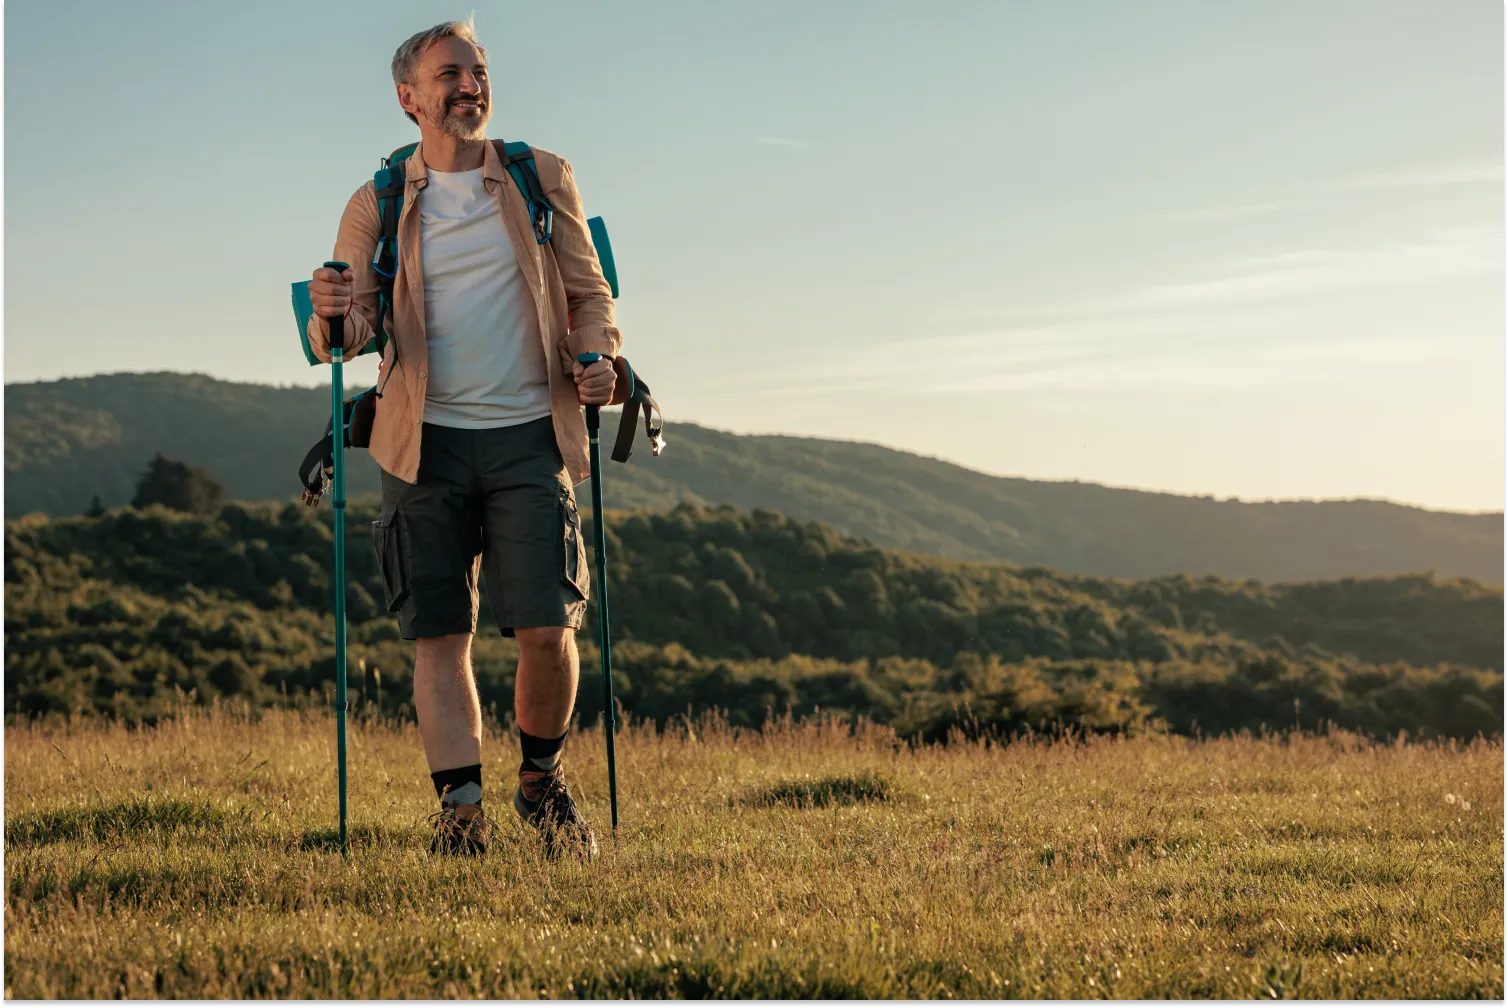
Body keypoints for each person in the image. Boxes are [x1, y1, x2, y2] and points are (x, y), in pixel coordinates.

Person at [305, 19, 619, 859]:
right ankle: (462, 816)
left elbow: (589, 294)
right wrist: (329, 316)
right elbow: (350, 327)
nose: (470, 85)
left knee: (549, 628)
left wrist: (596, 359)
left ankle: (541, 784)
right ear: (408, 97)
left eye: (477, 70)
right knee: (440, 636)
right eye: (450, 74)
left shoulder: (539, 176)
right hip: (421, 443)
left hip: (530, 432)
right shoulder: (377, 199)